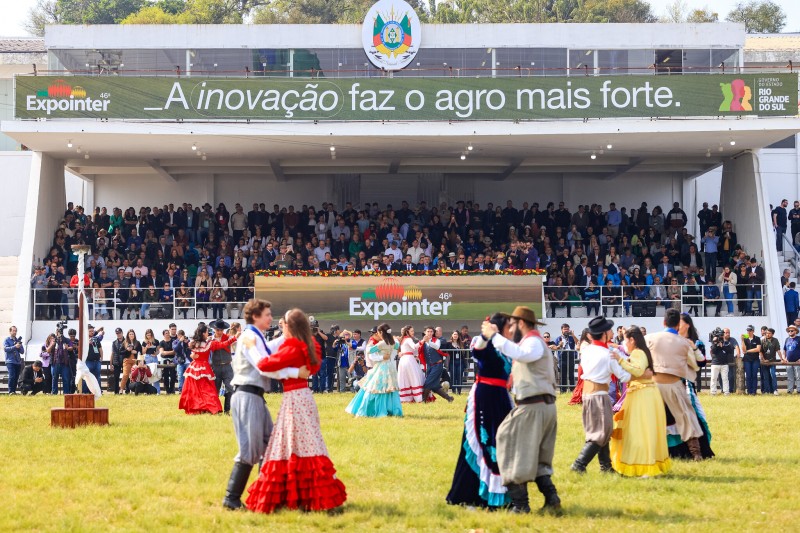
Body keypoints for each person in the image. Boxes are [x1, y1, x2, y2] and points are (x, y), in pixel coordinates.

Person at [245, 308, 347, 514]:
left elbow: (265, 365)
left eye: (284, 323)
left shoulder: (293, 346)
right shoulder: (310, 346)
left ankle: (294, 494)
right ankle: (308, 493)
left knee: (292, 445)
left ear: (290, 326)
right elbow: (310, 367)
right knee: (309, 444)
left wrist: (252, 348)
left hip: (294, 400)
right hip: (304, 397)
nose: (281, 326)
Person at [222, 298, 307, 511]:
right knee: (250, 451)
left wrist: (284, 338)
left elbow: (266, 351)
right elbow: (263, 365)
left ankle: (267, 494)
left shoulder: (255, 335)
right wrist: (295, 373)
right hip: (247, 395)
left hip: (255, 396)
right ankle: (231, 500)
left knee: (270, 445)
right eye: (267, 314)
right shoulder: (249, 336)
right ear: (255, 316)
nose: (271, 318)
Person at [481, 306, 560, 515]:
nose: (512, 327)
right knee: (538, 457)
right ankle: (551, 498)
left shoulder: (533, 342)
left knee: (507, 444)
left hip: (533, 406)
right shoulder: (532, 341)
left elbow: (520, 354)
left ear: (521, 324)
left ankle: (520, 505)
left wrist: (494, 336)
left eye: (514, 323)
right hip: (540, 405)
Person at [446, 313, 514, 509]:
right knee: (482, 442)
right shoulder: (486, 344)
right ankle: (473, 495)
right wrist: (486, 336)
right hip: (485, 397)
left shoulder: (507, 347)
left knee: (501, 443)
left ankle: (501, 494)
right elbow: (478, 352)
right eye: (508, 327)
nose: (511, 330)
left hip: (501, 397)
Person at [571, 316, 631, 474]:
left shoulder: (587, 350)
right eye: (610, 329)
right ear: (604, 333)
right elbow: (624, 376)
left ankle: (606, 467)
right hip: (599, 394)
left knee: (602, 429)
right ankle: (579, 464)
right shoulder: (608, 354)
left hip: (588, 394)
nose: (612, 331)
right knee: (601, 432)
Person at [609, 326, 671, 477]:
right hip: (643, 393)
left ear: (632, 339)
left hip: (642, 395)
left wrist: (620, 359)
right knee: (645, 429)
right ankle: (648, 463)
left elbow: (636, 370)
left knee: (641, 430)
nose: (625, 343)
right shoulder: (642, 352)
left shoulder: (638, 352)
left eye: (626, 339)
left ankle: (645, 465)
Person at [645, 308, 704, 461]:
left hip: (654, 385)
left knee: (650, 418)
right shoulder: (684, 343)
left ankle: (649, 453)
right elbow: (695, 365)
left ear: (663, 322)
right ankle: (696, 453)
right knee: (687, 418)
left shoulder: (650, 338)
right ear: (678, 324)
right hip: (674, 384)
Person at [670, 313, 715, 460]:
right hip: (671, 383)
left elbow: (700, 363)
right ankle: (677, 452)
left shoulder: (696, 343)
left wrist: (693, 348)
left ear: (687, 325)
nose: (677, 326)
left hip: (687, 384)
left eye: (680, 323)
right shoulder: (671, 340)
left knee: (693, 415)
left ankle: (697, 451)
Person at [346, 323, 403, 418]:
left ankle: (373, 410)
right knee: (389, 389)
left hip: (381, 367)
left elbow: (369, 350)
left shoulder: (382, 343)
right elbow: (398, 346)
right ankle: (392, 410)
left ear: (381, 332)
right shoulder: (392, 342)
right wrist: (395, 339)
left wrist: (372, 345)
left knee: (375, 388)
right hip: (390, 367)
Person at [179, 324, 235, 415]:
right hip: (204, 368)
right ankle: (210, 408)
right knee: (207, 390)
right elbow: (222, 345)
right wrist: (234, 338)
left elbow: (191, 353)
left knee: (195, 390)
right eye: (206, 332)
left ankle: (198, 409)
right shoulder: (208, 343)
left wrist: (192, 356)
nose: (208, 333)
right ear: (204, 333)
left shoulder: (194, 342)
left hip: (194, 367)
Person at [420, 326, 455, 402]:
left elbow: (437, 347)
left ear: (433, 333)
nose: (429, 333)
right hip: (429, 366)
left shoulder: (437, 340)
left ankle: (423, 400)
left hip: (437, 365)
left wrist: (428, 341)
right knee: (434, 386)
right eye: (428, 331)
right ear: (425, 332)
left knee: (428, 382)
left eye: (431, 331)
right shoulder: (422, 342)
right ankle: (449, 398)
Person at [209, 319, 235, 413]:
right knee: (215, 390)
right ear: (214, 329)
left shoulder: (228, 338)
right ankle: (217, 410)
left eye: (221, 330)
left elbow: (236, 347)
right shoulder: (210, 340)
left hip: (227, 366)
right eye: (218, 330)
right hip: (216, 367)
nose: (219, 332)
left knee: (231, 388)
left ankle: (227, 410)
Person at [397, 325, 426, 403]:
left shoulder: (403, 339)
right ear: (407, 332)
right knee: (414, 377)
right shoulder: (408, 339)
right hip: (409, 360)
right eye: (412, 331)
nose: (413, 332)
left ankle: (406, 397)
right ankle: (418, 398)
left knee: (405, 379)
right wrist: (422, 340)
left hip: (403, 360)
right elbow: (414, 347)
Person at [554, 323, 578, 393]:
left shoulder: (571, 338)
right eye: (565, 329)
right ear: (562, 330)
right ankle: (563, 390)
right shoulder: (558, 338)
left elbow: (577, 343)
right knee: (563, 374)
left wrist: (573, 335)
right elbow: (555, 347)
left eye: (567, 329)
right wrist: (559, 345)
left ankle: (572, 390)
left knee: (571, 374)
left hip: (570, 356)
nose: (566, 330)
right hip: (562, 357)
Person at [709, 329, 733, 395]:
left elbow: (730, 350)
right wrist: (715, 342)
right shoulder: (714, 343)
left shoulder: (726, 343)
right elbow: (713, 351)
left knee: (725, 378)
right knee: (713, 378)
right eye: (720, 335)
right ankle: (713, 392)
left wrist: (722, 346)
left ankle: (726, 392)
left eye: (722, 335)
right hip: (715, 363)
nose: (721, 336)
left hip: (724, 364)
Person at [4, 326, 25, 395]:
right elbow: (6, 349)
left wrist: (18, 347)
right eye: (13, 331)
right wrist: (14, 346)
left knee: (16, 377)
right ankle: (10, 391)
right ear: (10, 331)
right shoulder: (7, 340)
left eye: (15, 331)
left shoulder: (18, 340)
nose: (14, 332)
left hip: (17, 361)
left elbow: (22, 351)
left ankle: (14, 391)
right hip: (10, 361)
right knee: (12, 376)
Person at [741, 325, 761, 395]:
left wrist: (748, 351)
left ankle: (754, 391)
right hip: (747, 359)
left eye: (750, 330)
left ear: (753, 331)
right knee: (748, 375)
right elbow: (743, 350)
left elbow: (758, 349)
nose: (748, 332)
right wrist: (742, 341)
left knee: (754, 375)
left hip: (755, 359)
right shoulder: (745, 339)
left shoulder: (757, 338)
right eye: (748, 330)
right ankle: (749, 391)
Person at [760, 328, 780, 395]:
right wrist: (763, 359)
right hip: (764, 361)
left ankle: (775, 390)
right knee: (766, 376)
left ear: (772, 334)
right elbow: (760, 351)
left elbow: (778, 350)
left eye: (769, 333)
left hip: (772, 361)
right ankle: (767, 390)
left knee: (773, 375)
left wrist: (782, 358)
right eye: (766, 333)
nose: (767, 334)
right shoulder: (762, 340)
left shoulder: (775, 340)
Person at [120, 329, 141, 394]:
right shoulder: (124, 342)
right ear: (128, 335)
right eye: (130, 334)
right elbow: (120, 352)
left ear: (134, 335)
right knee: (125, 375)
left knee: (135, 376)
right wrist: (127, 350)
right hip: (127, 361)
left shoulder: (137, 342)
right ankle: (121, 389)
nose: (131, 335)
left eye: (132, 334)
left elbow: (141, 351)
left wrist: (136, 351)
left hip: (134, 361)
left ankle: (135, 390)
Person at [781, 325, 800, 394]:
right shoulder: (787, 339)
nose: (790, 332)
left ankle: (799, 390)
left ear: (796, 331)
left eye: (792, 331)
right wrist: (783, 358)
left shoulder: (799, 338)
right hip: (788, 361)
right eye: (789, 331)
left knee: (798, 376)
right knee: (790, 377)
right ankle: (790, 390)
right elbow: (784, 351)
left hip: (797, 362)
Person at [110, 327, 127, 394]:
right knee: (116, 377)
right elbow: (112, 353)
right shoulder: (114, 342)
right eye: (117, 333)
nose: (118, 334)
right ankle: (116, 392)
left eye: (119, 333)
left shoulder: (126, 341)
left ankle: (127, 390)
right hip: (116, 362)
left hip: (125, 361)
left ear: (122, 333)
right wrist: (111, 364)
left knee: (126, 376)